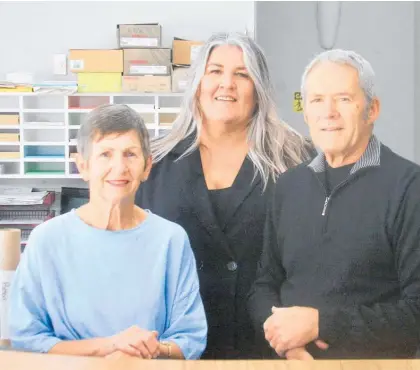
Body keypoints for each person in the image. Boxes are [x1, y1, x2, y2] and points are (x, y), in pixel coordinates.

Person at [135, 32, 313, 359]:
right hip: (176, 347)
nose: (226, 83)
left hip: (271, 346)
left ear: (258, 90)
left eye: (242, 74)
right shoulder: (153, 163)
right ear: (197, 83)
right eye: (215, 71)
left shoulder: (297, 159)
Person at [248, 49, 420, 360]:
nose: (329, 112)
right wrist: (288, 343)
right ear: (305, 112)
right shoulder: (288, 186)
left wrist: (321, 325)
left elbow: (416, 310)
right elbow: (263, 286)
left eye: (343, 99)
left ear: (372, 109)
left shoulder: (409, 187)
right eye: (316, 100)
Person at [8, 104, 207, 360]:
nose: (119, 167)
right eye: (105, 154)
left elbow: (190, 340)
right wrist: (110, 346)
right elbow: (27, 339)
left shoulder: (171, 240)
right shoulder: (46, 240)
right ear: (83, 166)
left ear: (147, 167)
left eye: (130, 154)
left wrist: (152, 350)